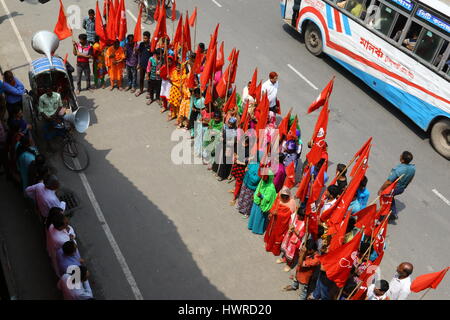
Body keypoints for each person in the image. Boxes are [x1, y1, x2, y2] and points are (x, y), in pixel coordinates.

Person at [378, 151, 415, 220]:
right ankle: (393, 212)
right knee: (391, 197)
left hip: (393, 188)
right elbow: (411, 178)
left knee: (385, 198)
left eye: (401, 155)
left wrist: (381, 189)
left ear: (402, 160)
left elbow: (388, 182)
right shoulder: (412, 168)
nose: (400, 155)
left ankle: (382, 217)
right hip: (401, 188)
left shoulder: (398, 170)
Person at [264, 187, 297, 255]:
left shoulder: (292, 202)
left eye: (286, 197)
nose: (284, 198)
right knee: (272, 233)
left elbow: (290, 215)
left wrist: (278, 214)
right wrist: (272, 212)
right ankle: (269, 246)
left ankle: (275, 249)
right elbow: (274, 206)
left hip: (282, 224)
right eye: (283, 196)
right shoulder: (278, 198)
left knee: (279, 236)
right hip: (274, 221)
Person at [248, 170, 277, 235]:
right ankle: (251, 226)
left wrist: (261, 196)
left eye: (265, 177)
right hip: (256, 202)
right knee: (253, 215)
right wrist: (255, 195)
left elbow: (268, 199)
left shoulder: (271, 188)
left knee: (259, 218)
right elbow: (258, 188)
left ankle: (257, 230)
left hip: (261, 204)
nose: (264, 179)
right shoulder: (262, 181)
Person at [136, 31, 152, 97]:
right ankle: (141, 90)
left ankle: (149, 92)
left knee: (149, 79)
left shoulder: (151, 45)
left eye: (145, 38)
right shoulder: (141, 44)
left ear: (149, 38)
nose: (144, 39)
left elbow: (153, 55)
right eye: (143, 38)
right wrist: (136, 50)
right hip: (142, 64)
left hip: (149, 66)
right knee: (141, 78)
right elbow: (139, 53)